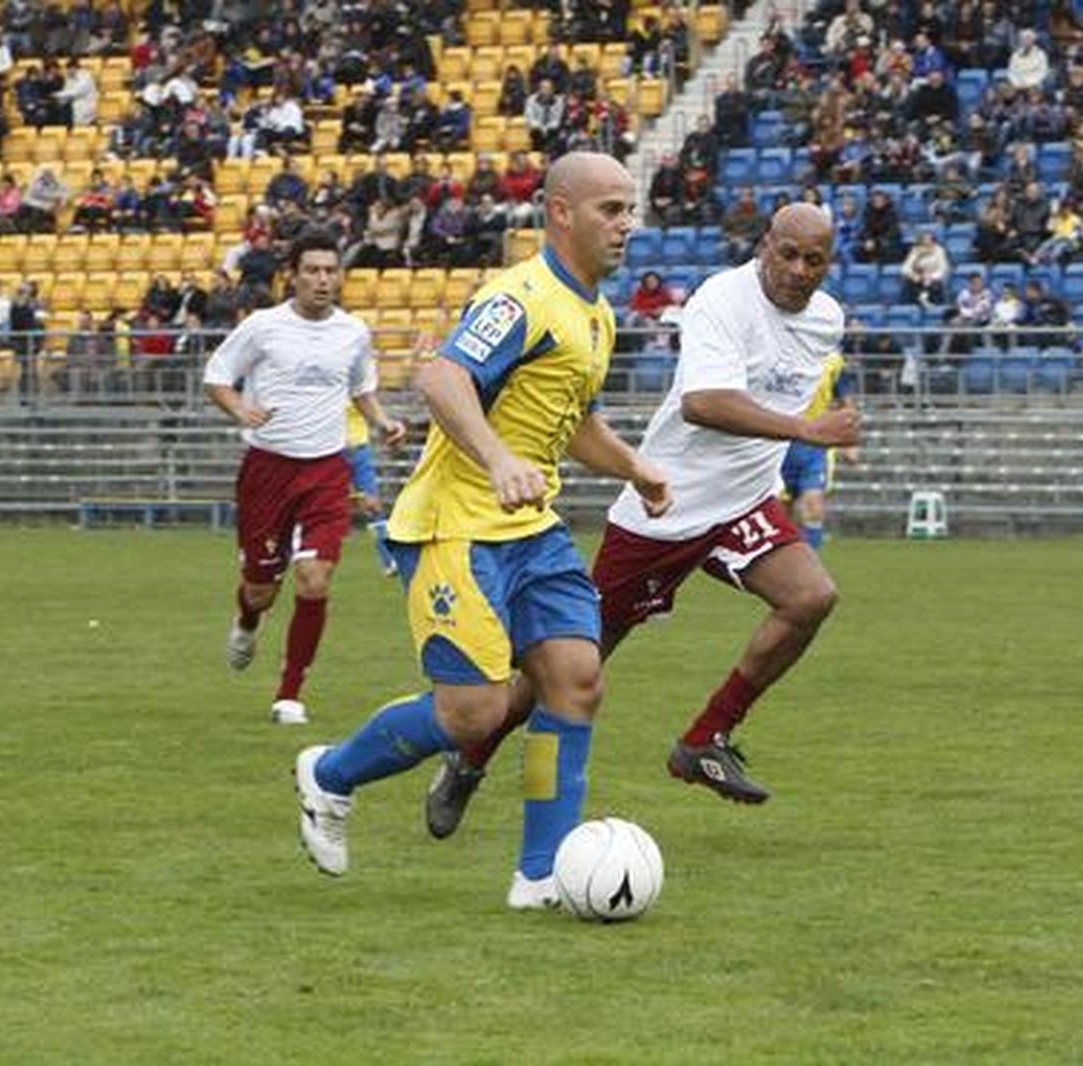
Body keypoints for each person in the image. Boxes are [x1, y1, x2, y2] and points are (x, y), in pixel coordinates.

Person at [292, 153, 671, 908]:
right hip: (455, 527)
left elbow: (570, 421)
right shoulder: (521, 294)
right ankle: (329, 775)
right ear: (561, 212)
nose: (626, 224)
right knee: (476, 711)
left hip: (531, 529)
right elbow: (441, 377)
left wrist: (635, 468)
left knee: (574, 684)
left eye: (630, 209)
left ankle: (540, 874)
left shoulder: (594, 313)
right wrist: (496, 460)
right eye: (610, 209)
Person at [422, 204, 861, 847]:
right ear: (765, 246)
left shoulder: (827, 319)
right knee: (567, 671)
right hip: (666, 509)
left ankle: (704, 739)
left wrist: (801, 446)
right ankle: (471, 757)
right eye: (787, 253)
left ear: (829, 262)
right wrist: (805, 431)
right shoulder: (722, 300)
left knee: (811, 596)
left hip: (742, 504)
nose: (797, 271)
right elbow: (703, 402)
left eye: (813, 260)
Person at [203, 228, 407, 726]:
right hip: (267, 471)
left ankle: (289, 692)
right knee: (260, 589)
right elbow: (217, 375)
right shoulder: (263, 327)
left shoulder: (352, 332)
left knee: (314, 580)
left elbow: (360, 386)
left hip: (325, 470)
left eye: (329, 271)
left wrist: (381, 423)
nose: (322, 279)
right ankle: (248, 622)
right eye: (312, 270)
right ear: (291, 276)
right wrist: (240, 409)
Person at [780, 352, 857, 552]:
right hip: (777, 441)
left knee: (813, 505)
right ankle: (785, 566)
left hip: (815, 443)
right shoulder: (778, 349)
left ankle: (811, 561)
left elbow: (845, 402)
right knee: (780, 515)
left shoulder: (834, 360)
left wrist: (850, 443)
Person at [343, 400, 398, 577]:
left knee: (373, 507)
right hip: (332, 452)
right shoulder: (326, 389)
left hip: (360, 452)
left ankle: (389, 560)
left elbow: (374, 413)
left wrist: (387, 427)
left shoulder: (361, 391)